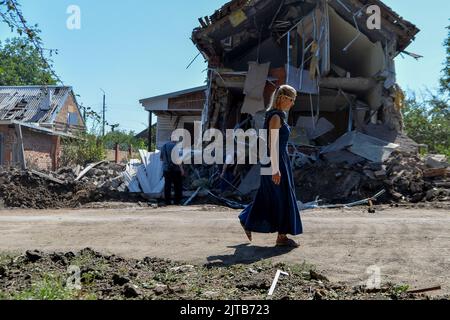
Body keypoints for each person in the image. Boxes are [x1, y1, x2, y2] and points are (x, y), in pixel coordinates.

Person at [238, 85, 303, 247]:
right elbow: (272, 145)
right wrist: (275, 168)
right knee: (280, 196)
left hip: (279, 159)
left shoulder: (277, 116)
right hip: (275, 160)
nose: (293, 103)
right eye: (292, 99)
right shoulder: (275, 117)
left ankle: (247, 218)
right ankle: (281, 237)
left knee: (271, 195)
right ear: (282, 98)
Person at [160, 140, 185, 205]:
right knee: (177, 185)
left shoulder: (164, 146)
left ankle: (167, 201)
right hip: (176, 169)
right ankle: (177, 201)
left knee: (167, 185)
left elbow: (161, 158)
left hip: (166, 169)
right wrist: (181, 169)